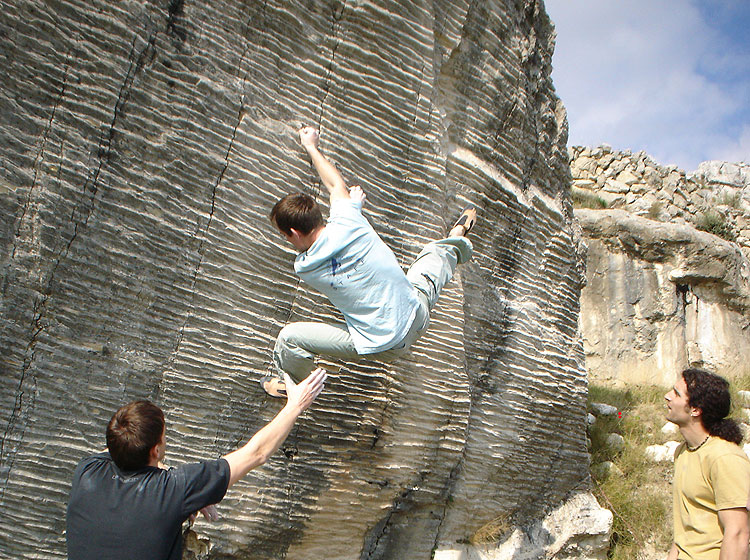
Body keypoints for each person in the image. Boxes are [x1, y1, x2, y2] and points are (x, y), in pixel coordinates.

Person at [260, 126, 477, 396]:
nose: (287, 240)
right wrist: (312, 146)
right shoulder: (349, 218)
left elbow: (334, 201)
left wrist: (354, 205)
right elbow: (335, 185)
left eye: (285, 236)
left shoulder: (305, 267)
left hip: (384, 344)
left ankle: (296, 391)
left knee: (289, 339)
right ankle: (455, 241)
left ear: (293, 233)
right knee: (427, 269)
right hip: (416, 314)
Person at [66, 368, 326, 560]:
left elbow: (121, 451)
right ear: (156, 449)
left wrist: (189, 494)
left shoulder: (87, 471)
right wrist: (296, 405)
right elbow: (256, 453)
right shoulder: (173, 489)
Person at [664, 368, 750, 560]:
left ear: (695, 409)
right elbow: (683, 531)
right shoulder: (683, 451)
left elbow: (737, 533)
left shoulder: (725, 457)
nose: (667, 396)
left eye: (676, 393)